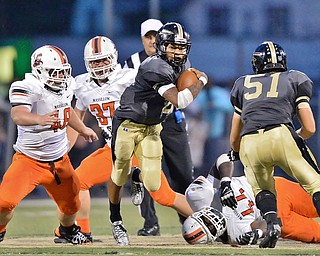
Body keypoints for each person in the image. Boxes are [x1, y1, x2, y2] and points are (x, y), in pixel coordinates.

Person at [65, 36, 193, 244]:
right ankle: (84, 233)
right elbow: (77, 121)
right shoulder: (81, 85)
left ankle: (212, 223)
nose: (100, 65)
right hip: (112, 149)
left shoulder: (130, 76)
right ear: (87, 63)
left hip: (138, 144)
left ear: (113, 58)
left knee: (164, 196)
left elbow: (161, 93)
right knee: (76, 182)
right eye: (95, 61)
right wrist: (62, 154)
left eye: (104, 60)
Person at [109, 22, 207, 246]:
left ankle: (139, 175)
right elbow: (181, 100)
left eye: (182, 47)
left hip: (153, 126)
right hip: (128, 122)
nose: (179, 52)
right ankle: (115, 219)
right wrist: (201, 81)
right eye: (173, 47)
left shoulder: (181, 65)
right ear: (163, 46)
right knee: (118, 172)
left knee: (154, 185)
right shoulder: (154, 66)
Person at [0, 45, 98, 244]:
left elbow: (66, 110)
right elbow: (17, 115)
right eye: (54, 72)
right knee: (4, 203)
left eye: (62, 72)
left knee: (72, 206)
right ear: (39, 70)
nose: (59, 77)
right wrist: (39, 119)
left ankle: (66, 232)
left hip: (60, 161)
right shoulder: (27, 86)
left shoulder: (64, 86)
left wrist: (82, 129)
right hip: (29, 160)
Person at [229, 41, 320, 248]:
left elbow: (234, 138)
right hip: (280, 134)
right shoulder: (295, 78)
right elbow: (310, 128)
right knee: (315, 184)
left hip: (249, 143)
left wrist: (237, 151)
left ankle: (272, 224)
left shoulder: (242, 83)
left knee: (262, 189)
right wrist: (295, 137)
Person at [123, 18, 194, 236]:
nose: (153, 40)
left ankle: (191, 221)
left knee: (182, 175)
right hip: (145, 124)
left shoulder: (180, 61)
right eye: (149, 36)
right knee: (144, 175)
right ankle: (150, 223)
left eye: (156, 36)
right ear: (143, 38)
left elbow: (182, 93)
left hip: (171, 121)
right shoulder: (133, 62)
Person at [183, 153, 320, 245]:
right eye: (211, 229)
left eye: (205, 221)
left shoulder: (198, 196)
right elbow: (266, 226)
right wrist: (258, 233)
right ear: (213, 238)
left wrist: (225, 183)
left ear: (196, 214)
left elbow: (225, 157)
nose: (213, 222)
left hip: (273, 188)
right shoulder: (234, 236)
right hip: (276, 217)